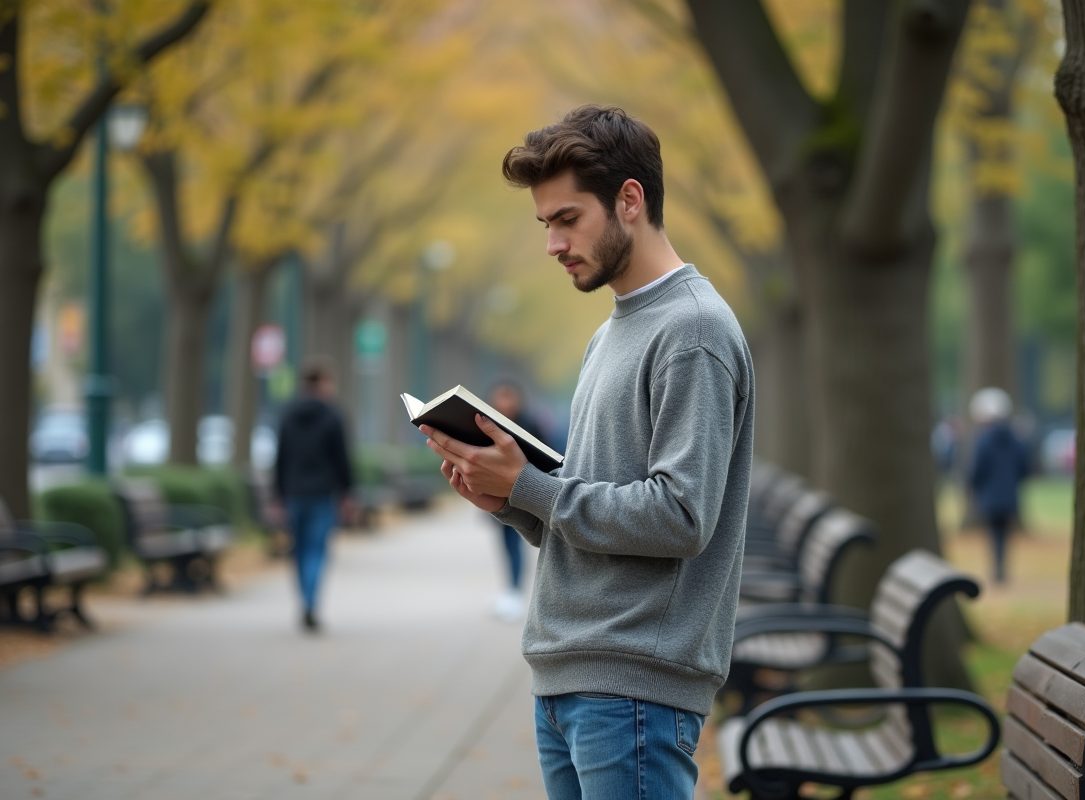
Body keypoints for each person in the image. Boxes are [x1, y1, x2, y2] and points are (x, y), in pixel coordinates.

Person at [420, 105, 754, 799]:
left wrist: (534, 488)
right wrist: (508, 496)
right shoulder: (611, 334)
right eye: (546, 224)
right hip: (573, 676)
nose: (552, 244)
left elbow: (680, 517)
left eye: (567, 219)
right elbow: (592, 514)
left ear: (629, 200)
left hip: (633, 687)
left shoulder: (692, 330)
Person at [274, 359, 354, 632]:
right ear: (320, 383)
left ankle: (303, 601)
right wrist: (347, 492)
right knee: (317, 550)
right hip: (322, 493)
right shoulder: (332, 416)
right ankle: (311, 603)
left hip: (294, 492)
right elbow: (342, 459)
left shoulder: (287, 414)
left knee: (298, 550)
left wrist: (278, 494)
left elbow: (280, 457)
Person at [486, 380, 546, 622]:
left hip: (523, 494)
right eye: (500, 397)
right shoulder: (487, 424)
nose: (504, 403)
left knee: (517, 544)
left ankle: (515, 593)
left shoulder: (530, 425)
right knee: (505, 546)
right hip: (497, 496)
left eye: (509, 397)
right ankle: (509, 591)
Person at [968, 387, 1029, 584]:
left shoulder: (983, 440)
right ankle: (1002, 568)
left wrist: (972, 484)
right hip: (1010, 494)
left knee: (994, 533)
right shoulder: (1015, 438)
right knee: (1004, 533)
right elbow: (1024, 466)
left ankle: (997, 568)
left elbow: (978, 467)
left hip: (990, 495)